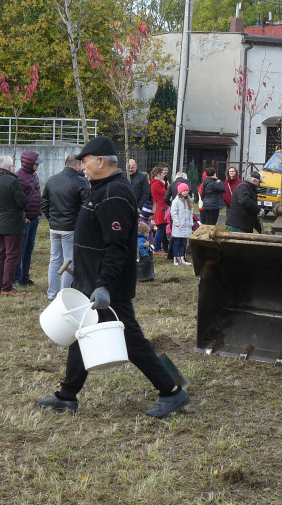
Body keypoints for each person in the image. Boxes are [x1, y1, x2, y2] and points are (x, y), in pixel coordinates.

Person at [35, 136, 190, 419]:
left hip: (106, 286)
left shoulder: (114, 193)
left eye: (85, 161)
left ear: (100, 161)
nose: (82, 166)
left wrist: (104, 284)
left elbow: (117, 246)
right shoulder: (102, 189)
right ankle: (67, 395)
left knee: (130, 341)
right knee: (81, 334)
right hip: (91, 282)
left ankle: (171, 391)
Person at [41, 154, 90, 301]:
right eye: (82, 165)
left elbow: (44, 203)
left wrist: (52, 219)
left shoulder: (51, 180)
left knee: (55, 259)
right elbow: (86, 207)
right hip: (71, 227)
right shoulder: (81, 182)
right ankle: (64, 294)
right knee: (69, 260)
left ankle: (52, 293)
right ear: (77, 165)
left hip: (55, 226)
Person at [0, 155, 28, 296]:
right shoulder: (13, 182)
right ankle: (7, 287)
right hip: (13, 224)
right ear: (10, 167)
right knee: (11, 255)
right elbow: (22, 203)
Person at [15, 150, 42, 287]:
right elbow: (16, 200)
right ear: (29, 163)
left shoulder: (34, 175)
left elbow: (37, 194)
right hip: (25, 220)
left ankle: (25, 276)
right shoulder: (18, 177)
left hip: (34, 218)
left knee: (29, 249)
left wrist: (39, 211)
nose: (38, 165)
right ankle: (17, 277)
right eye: (36, 163)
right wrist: (23, 216)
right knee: (21, 249)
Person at [169, 182, 195, 266]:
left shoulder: (189, 201)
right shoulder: (176, 201)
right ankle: (175, 258)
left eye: (186, 190)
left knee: (183, 242)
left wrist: (191, 222)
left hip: (187, 225)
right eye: (183, 191)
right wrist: (177, 222)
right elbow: (173, 212)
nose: (185, 192)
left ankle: (182, 258)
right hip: (178, 225)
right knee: (177, 242)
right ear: (180, 191)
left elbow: (191, 213)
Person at [149, 166, 170, 256]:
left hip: (160, 207)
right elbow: (165, 194)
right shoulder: (156, 184)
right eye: (163, 173)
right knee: (160, 228)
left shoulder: (157, 183)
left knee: (161, 229)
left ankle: (158, 247)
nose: (164, 175)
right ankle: (157, 248)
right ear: (158, 174)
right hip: (161, 208)